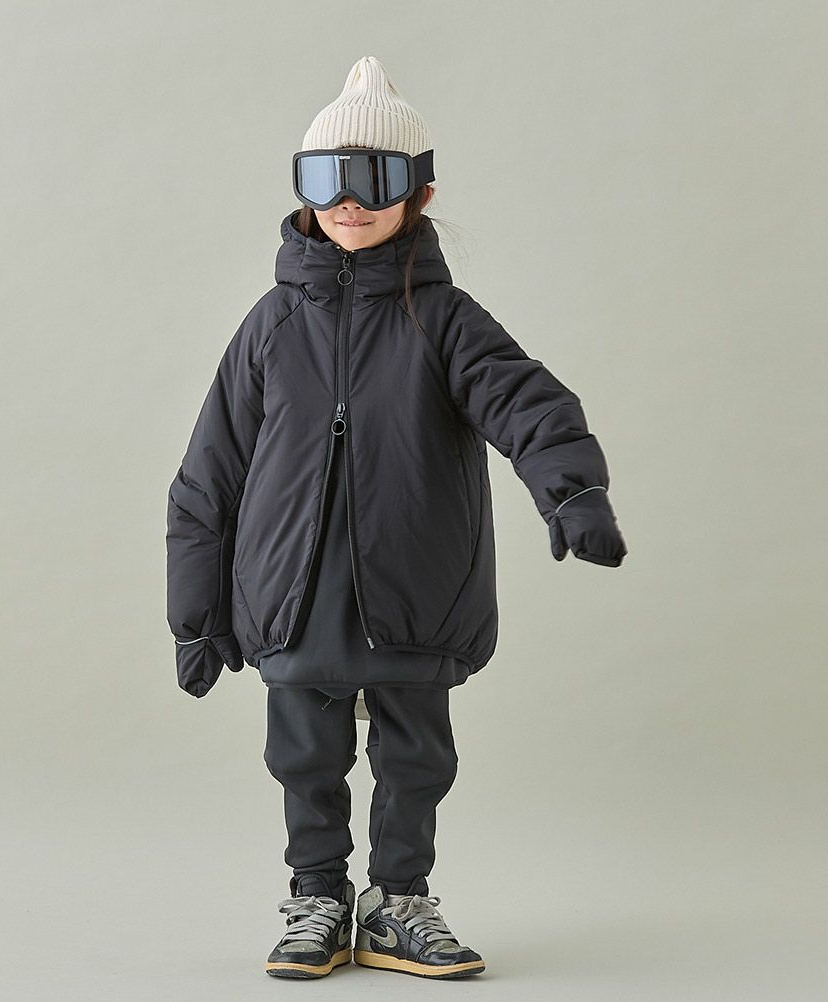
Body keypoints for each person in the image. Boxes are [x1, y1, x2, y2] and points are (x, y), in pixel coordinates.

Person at [165, 55, 628, 981]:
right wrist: (196, 611)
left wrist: (572, 488)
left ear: (419, 193)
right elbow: (210, 473)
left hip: (415, 591)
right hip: (294, 596)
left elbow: (525, 401)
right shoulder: (270, 326)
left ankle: (398, 904)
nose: (348, 201)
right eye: (325, 177)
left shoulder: (442, 319)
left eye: (374, 178)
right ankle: (316, 898)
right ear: (302, 188)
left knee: (416, 757)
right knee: (305, 756)